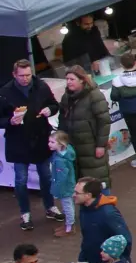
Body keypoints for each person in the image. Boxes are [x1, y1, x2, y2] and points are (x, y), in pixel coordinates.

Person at [1, 59, 60, 231]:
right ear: (14, 75)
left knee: (46, 177)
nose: (26, 79)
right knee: (21, 181)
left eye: (28, 75)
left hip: (40, 138)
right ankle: (25, 214)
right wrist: (10, 121)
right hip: (18, 142)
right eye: (22, 76)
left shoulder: (41, 86)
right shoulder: (5, 93)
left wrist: (50, 110)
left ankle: (50, 207)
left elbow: (53, 104)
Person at [58, 64, 112, 187]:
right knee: (81, 183)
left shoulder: (94, 96)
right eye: (67, 79)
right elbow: (62, 120)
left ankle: (104, 203)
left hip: (91, 146)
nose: (68, 82)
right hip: (73, 146)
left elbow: (104, 121)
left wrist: (100, 145)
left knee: (98, 179)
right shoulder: (66, 97)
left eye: (72, 79)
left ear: (82, 80)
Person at [75, 177, 131, 263]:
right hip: (89, 261)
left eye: (77, 193)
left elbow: (125, 240)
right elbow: (87, 237)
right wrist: (82, 259)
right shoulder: (84, 208)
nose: (73, 195)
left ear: (88, 195)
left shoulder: (108, 214)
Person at [48, 130, 75, 236]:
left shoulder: (60, 160)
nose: (49, 144)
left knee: (67, 206)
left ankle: (69, 227)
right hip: (68, 185)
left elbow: (61, 178)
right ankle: (68, 224)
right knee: (68, 205)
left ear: (61, 144)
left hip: (65, 187)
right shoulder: (64, 153)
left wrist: (56, 190)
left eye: (52, 142)